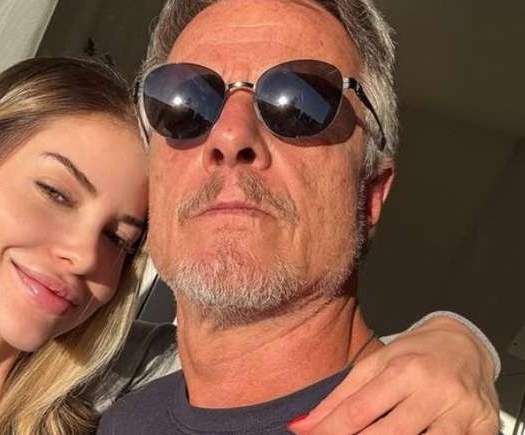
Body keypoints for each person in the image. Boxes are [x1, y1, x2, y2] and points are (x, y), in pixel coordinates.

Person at [0, 59, 496, 435]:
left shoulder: (115, 377)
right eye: (55, 192)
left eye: (121, 238)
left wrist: (459, 340)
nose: (86, 257)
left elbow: (306, 362)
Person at [97, 0, 501, 434]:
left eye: (299, 103)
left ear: (370, 193)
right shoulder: (119, 416)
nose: (229, 134)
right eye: (185, 102)